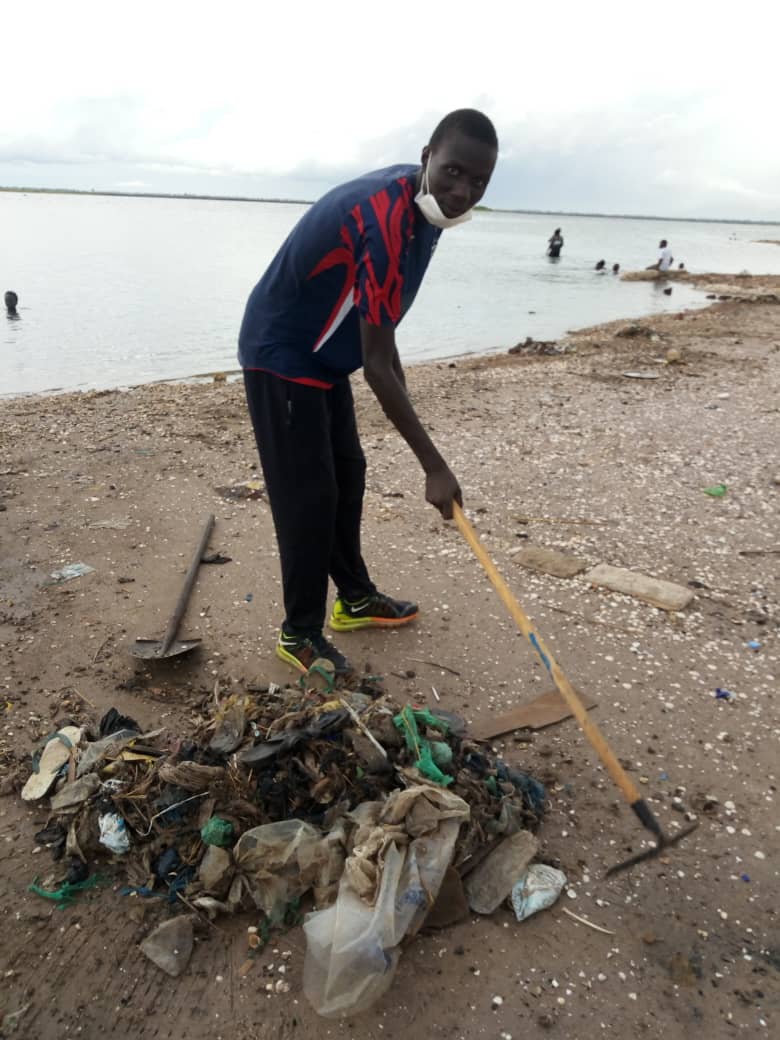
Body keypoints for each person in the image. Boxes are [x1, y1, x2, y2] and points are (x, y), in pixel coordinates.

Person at [238, 109, 498, 677]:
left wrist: (419, 433)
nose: (463, 192)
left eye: (479, 181)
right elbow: (378, 367)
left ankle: (354, 600)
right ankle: (299, 634)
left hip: (326, 359)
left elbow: (382, 333)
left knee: (346, 475)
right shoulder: (382, 218)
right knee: (309, 498)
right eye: (454, 172)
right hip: (282, 354)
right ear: (427, 154)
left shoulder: (426, 212)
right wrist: (435, 466)